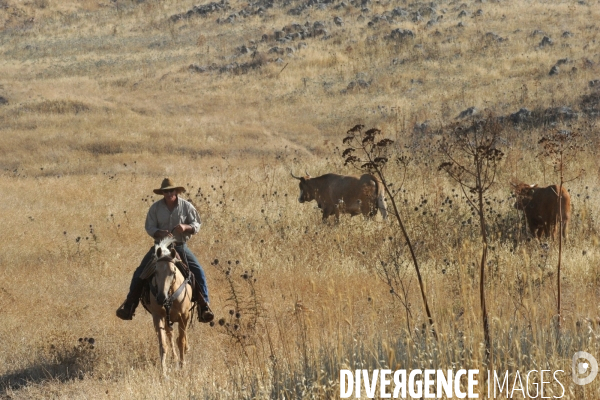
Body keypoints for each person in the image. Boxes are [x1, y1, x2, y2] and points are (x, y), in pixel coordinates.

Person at [116, 178, 214, 323]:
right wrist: (159, 232)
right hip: (160, 248)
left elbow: (196, 224)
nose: (169, 193)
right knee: (140, 272)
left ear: (176, 191)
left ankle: (204, 306)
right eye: (166, 191)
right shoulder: (155, 208)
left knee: (198, 271)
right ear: (162, 193)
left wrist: (185, 227)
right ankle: (130, 305)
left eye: (171, 191)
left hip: (180, 246)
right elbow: (149, 227)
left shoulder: (186, 206)